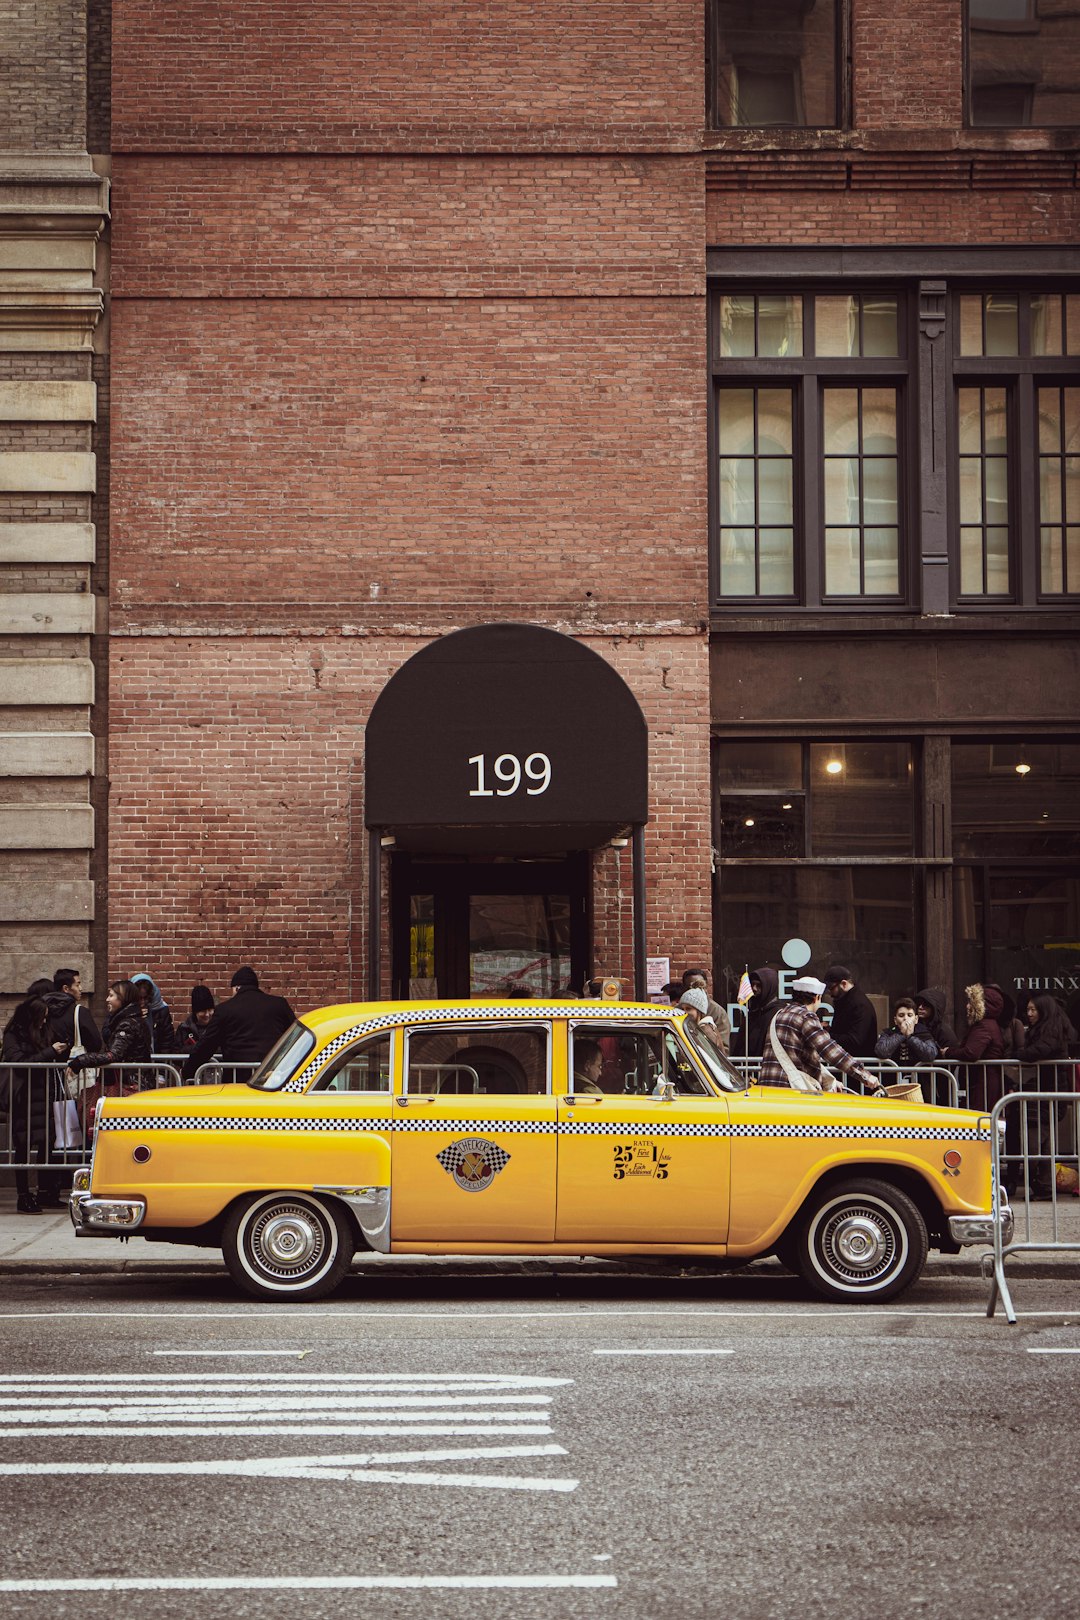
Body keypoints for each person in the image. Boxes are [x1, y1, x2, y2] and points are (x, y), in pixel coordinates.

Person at [758, 976, 885, 1095]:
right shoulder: (806, 1016)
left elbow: (798, 1057)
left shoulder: (779, 1015)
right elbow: (830, 1050)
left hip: (768, 1091)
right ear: (817, 998)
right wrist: (864, 1075)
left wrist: (830, 1080)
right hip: (791, 1092)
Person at [1, 995, 64, 1212]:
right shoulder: (13, 1035)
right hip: (24, 1099)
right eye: (42, 1018)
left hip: (43, 1096)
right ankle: (23, 1195)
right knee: (23, 1147)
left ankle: (45, 1192)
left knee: (47, 1143)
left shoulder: (42, 1031)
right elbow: (18, 1063)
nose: (45, 1022)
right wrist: (50, 1052)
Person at [181, 967, 296, 1080]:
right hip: (272, 1078)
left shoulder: (224, 1010)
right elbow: (296, 1038)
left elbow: (206, 1046)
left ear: (236, 988)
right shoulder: (279, 1005)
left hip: (238, 1080)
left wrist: (188, 1071)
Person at [1020, 995, 1078, 1198]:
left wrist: (1019, 1053)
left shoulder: (1051, 1030)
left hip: (1050, 1091)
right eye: (1027, 1009)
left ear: (1043, 1011)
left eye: (1033, 1010)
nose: (1029, 1014)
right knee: (1043, 1139)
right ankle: (1044, 1184)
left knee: (1038, 1138)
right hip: (1044, 1091)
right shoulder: (1047, 1027)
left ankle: (1042, 1182)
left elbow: (1038, 1050)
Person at [67, 979, 152, 1089]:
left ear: (123, 998)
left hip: (130, 1084)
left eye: (111, 995)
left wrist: (81, 1060)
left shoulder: (127, 1024)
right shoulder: (126, 1019)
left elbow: (113, 1054)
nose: (107, 999)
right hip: (131, 1082)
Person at [42, 967, 103, 1065]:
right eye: (77, 985)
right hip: (75, 1069)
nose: (81, 988)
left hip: (47, 1069)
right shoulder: (80, 1012)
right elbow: (95, 1044)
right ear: (66, 988)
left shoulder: (44, 1010)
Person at [823, 964, 879, 1058]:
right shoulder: (847, 1001)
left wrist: (827, 1035)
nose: (830, 993)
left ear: (844, 984)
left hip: (856, 1062)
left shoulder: (859, 1005)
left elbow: (855, 1040)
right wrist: (829, 1030)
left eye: (832, 988)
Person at [875, 998, 939, 1065]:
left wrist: (910, 1037)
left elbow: (931, 1054)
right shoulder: (887, 1033)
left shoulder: (924, 1033)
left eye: (909, 1015)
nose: (905, 1018)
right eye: (901, 1015)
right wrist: (901, 1034)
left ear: (916, 1019)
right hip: (893, 1074)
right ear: (895, 1020)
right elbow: (881, 1052)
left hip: (917, 1074)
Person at [681, 969, 731, 1052]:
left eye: (699, 986)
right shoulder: (678, 1008)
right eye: (690, 987)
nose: (695, 990)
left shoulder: (717, 1012)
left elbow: (722, 1049)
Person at [739, 967, 783, 1059]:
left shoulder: (779, 1015)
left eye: (759, 985)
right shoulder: (752, 1014)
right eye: (752, 984)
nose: (754, 989)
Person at [130, 973, 175, 1053]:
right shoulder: (125, 1010)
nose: (142, 1002)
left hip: (156, 1058)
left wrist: (161, 1062)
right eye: (139, 998)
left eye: (145, 998)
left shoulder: (161, 1010)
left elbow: (167, 1038)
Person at [678, 988, 726, 1052]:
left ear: (699, 1011)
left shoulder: (705, 1031)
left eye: (688, 1009)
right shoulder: (701, 1028)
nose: (684, 1012)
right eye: (682, 1009)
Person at [915, 988, 959, 1053]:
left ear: (934, 1008)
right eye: (918, 1003)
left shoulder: (944, 1032)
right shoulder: (915, 1025)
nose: (920, 1007)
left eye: (926, 1004)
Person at [174, 985, 216, 1053]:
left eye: (210, 1010)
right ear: (195, 1011)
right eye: (203, 1011)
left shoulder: (219, 1027)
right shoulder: (184, 1029)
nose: (207, 1014)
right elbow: (176, 1053)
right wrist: (197, 1047)